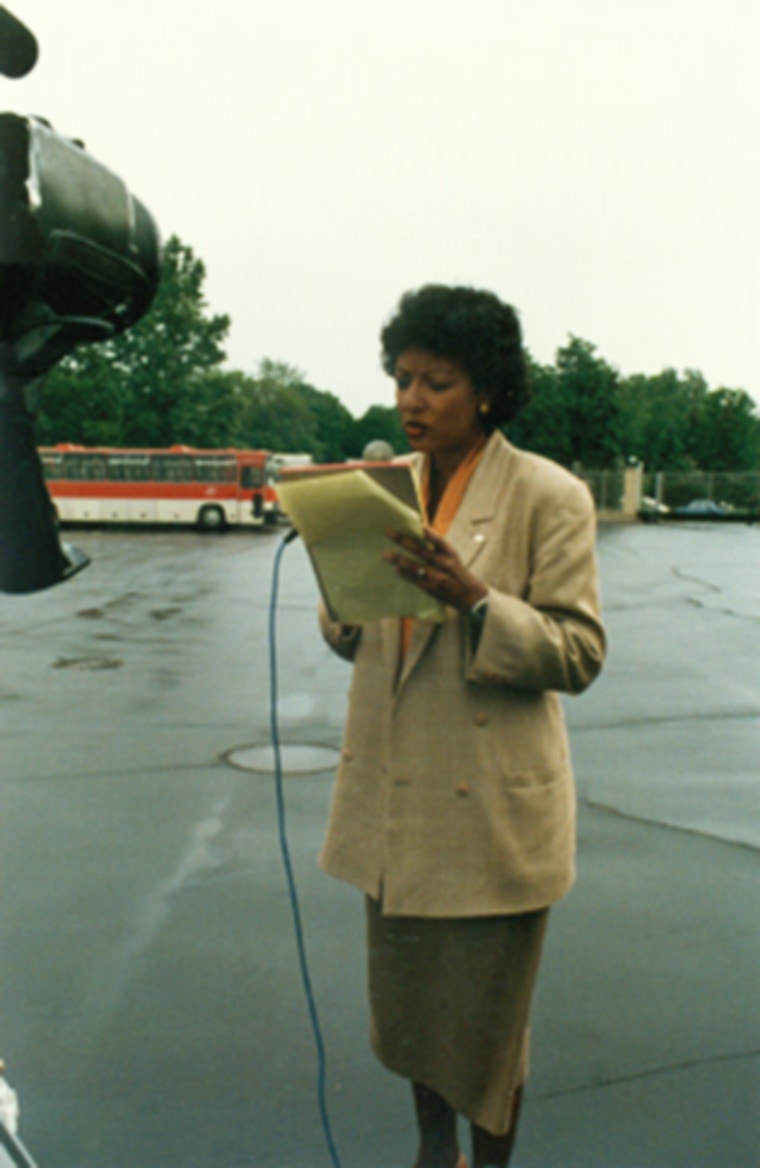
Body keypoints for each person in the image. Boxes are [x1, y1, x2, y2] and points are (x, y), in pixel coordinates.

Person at [318, 285, 605, 1168]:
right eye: (402, 378)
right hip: (395, 811)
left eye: (435, 381)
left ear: (485, 388)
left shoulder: (548, 496)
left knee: (485, 1036)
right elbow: (358, 640)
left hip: (486, 821)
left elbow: (579, 652)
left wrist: (476, 601)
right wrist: (340, 591)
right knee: (410, 1021)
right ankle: (430, 1154)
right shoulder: (384, 491)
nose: (411, 399)